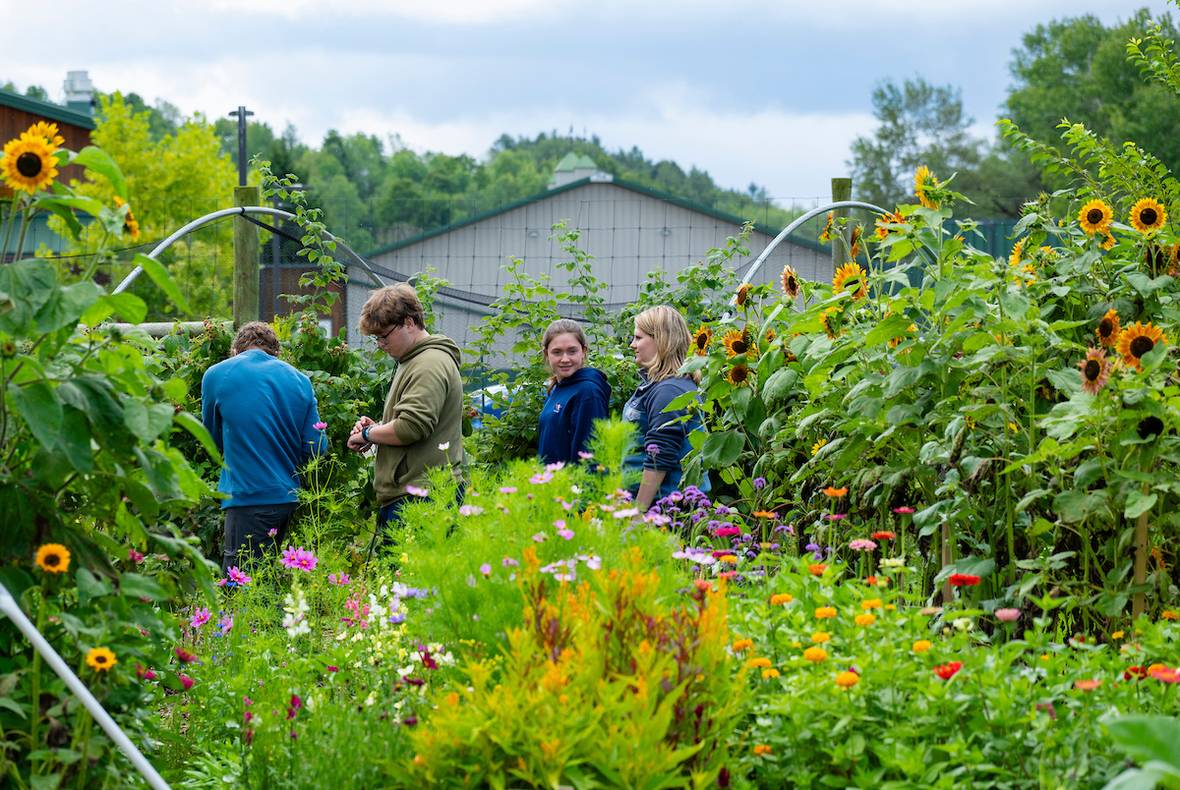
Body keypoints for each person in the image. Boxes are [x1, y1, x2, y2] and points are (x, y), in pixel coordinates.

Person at [201, 321, 327, 572]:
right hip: (287, 498)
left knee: (239, 586)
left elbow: (211, 442)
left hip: (247, 496)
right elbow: (316, 447)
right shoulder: (300, 380)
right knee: (265, 581)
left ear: (236, 350)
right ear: (276, 352)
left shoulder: (217, 374)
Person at [347, 284, 465, 541]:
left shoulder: (428, 364)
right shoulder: (413, 360)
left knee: (409, 581)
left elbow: (411, 428)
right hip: (416, 493)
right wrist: (378, 427)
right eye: (376, 338)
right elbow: (412, 423)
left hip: (423, 500)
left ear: (409, 322)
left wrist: (368, 433)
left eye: (384, 336)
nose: (380, 344)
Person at [623, 305, 708, 512]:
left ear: (661, 340)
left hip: (665, 511)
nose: (633, 345)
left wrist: (638, 512)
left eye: (638, 338)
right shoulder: (658, 385)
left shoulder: (669, 390)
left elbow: (659, 455)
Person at [537, 319, 611, 464]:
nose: (565, 359)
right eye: (557, 352)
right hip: (551, 484)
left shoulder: (588, 392)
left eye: (572, 351)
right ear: (546, 354)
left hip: (571, 485)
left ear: (583, 351)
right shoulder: (557, 388)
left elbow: (591, 457)